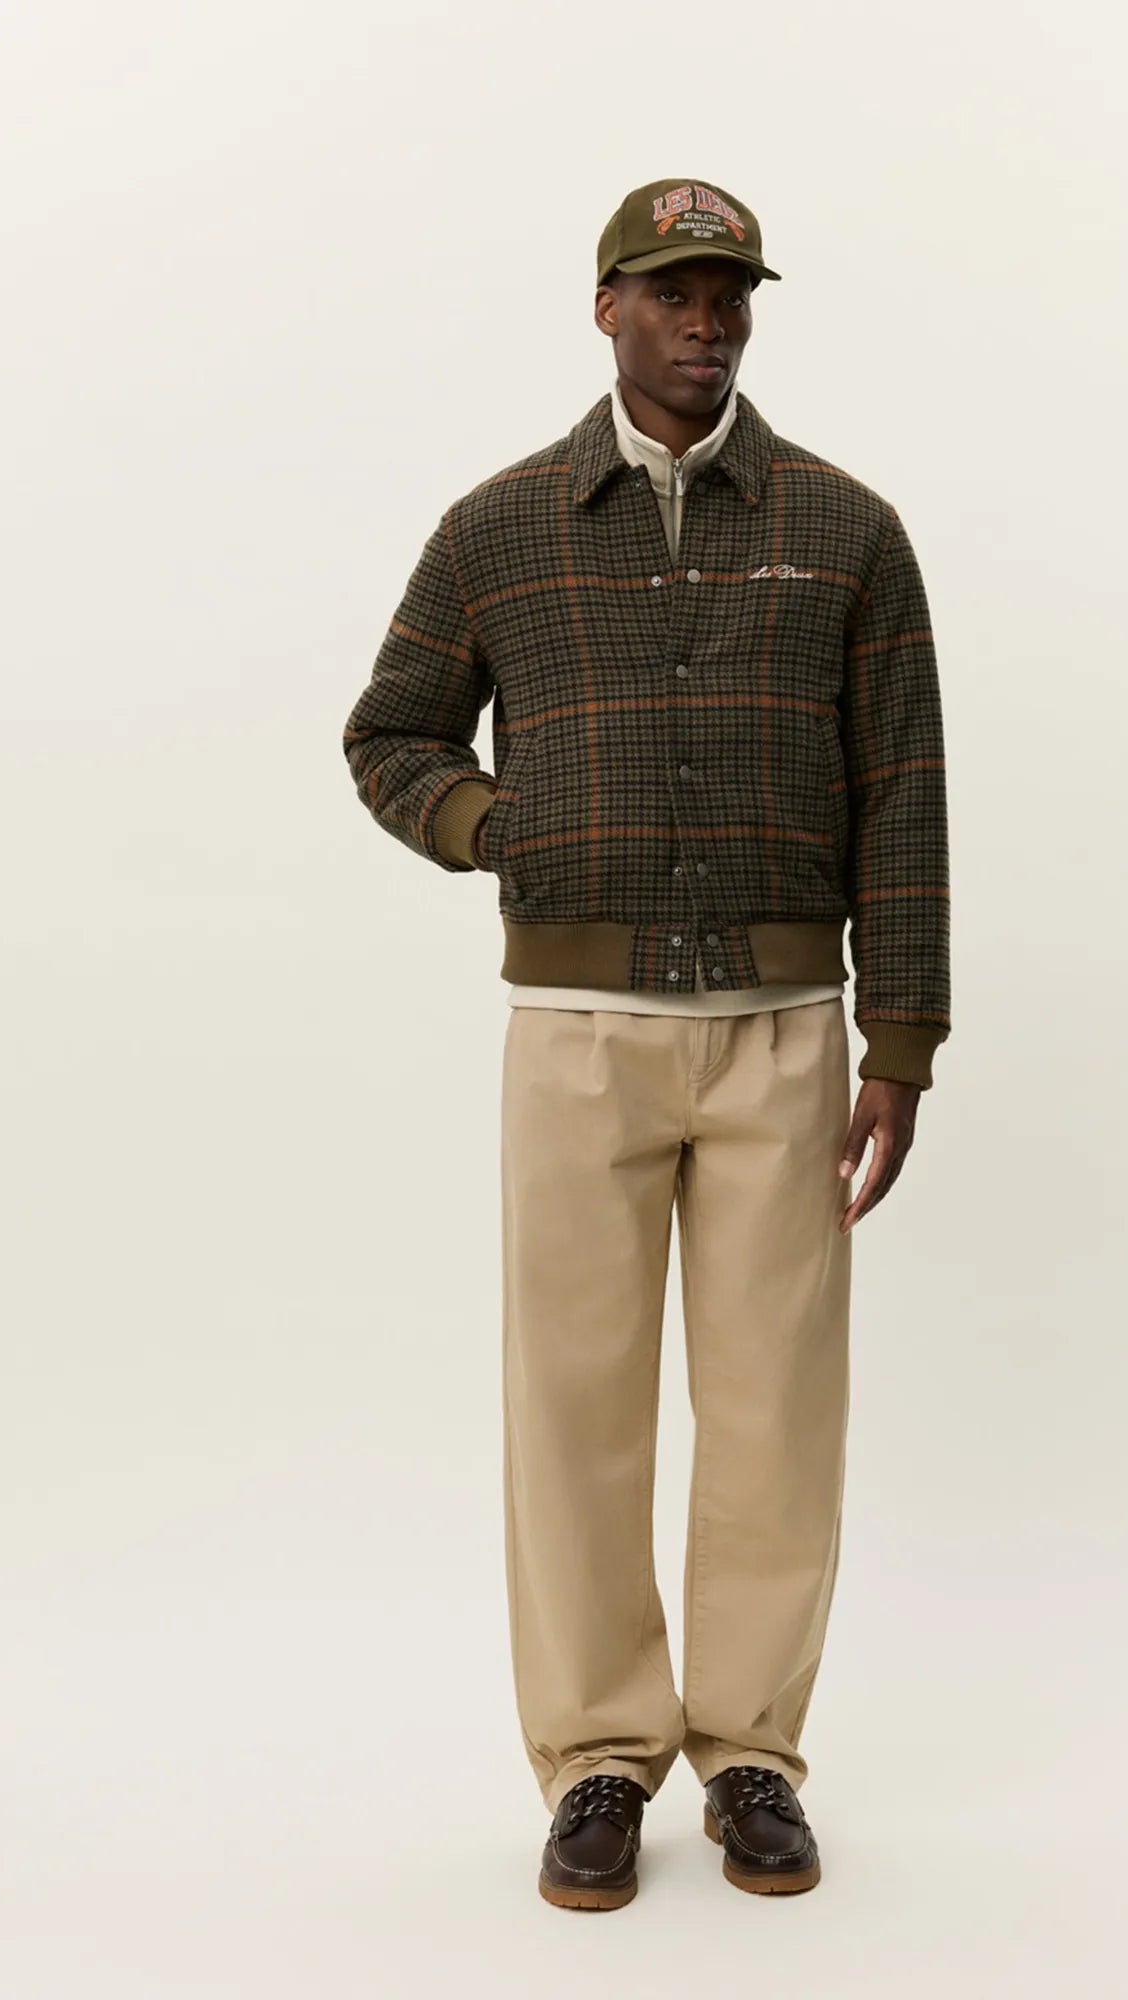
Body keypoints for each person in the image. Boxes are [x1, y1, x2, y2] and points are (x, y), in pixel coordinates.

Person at [342, 177, 951, 1910]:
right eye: (673, 292)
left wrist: (901, 1039)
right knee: (576, 1407)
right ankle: (599, 1759)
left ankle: (752, 1754)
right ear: (606, 306)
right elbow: (390, 732)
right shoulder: (502, 530)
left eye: (730, 293)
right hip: (579, 1041)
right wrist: (493, 828)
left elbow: (904, 791)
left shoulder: (847, 529)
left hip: (783, 1039)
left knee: (776, 1411)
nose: (707, 321)